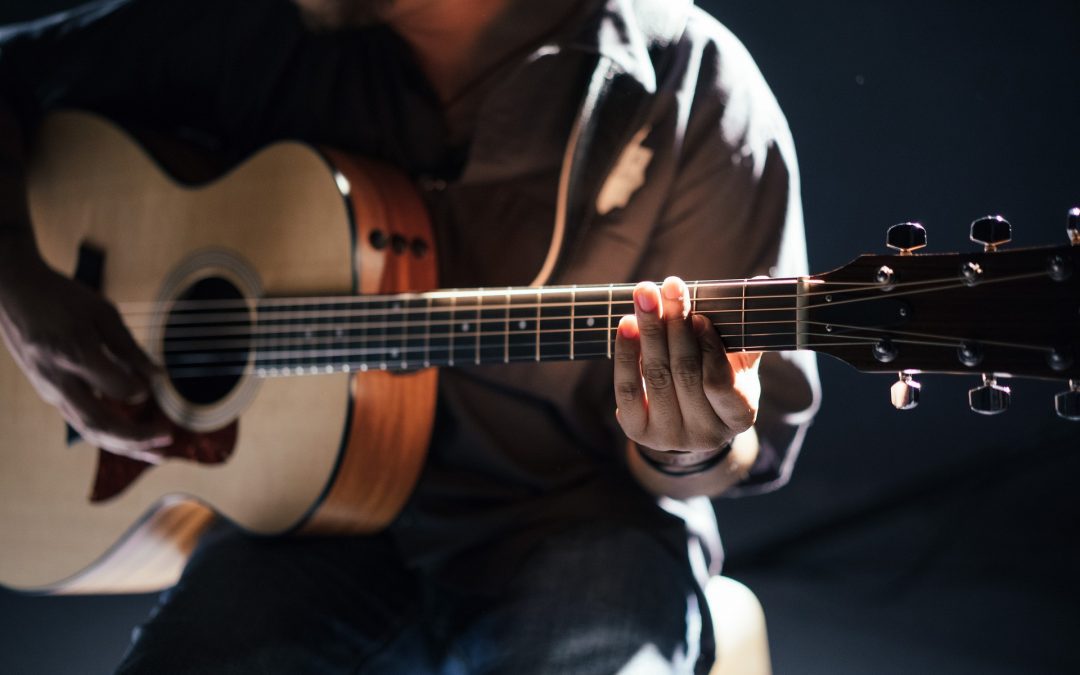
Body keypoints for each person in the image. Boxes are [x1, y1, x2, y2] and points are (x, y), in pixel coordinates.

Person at [0, 0, 819, 672]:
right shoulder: (260, 27)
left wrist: (688, 440)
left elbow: (730, 452)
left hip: (576, 524)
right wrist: (20, 283)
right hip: (304, 531)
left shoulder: (694, 87)